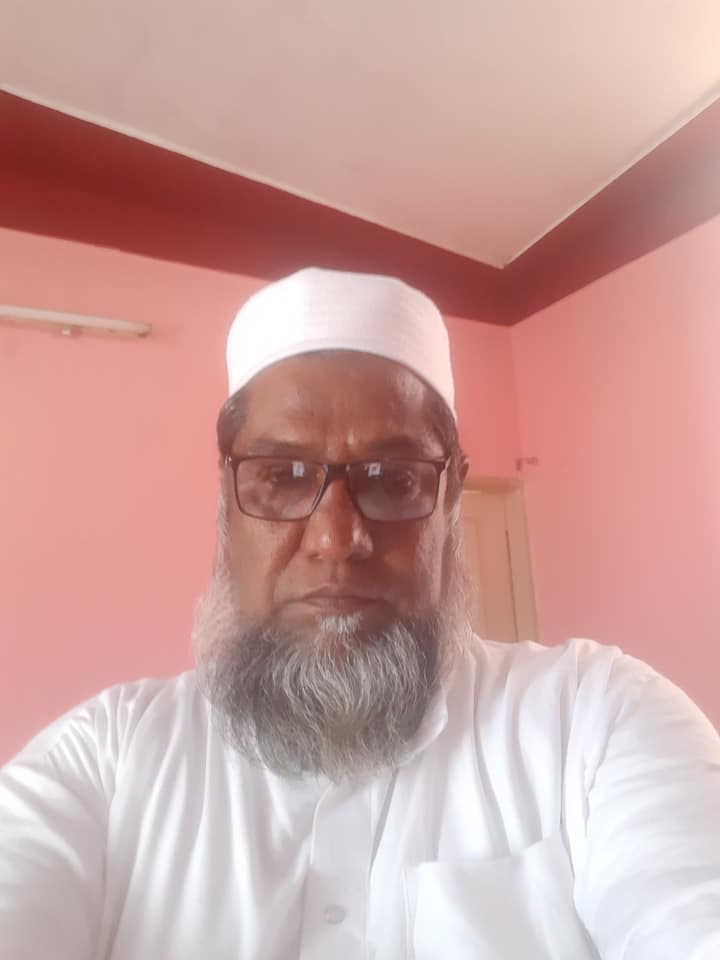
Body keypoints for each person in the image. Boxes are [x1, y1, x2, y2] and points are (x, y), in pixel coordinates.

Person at [1, 267, 718, 959]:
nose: (337, 538)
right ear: (227, 500)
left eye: (393, 478)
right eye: (283, 477)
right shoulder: (108, 760)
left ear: (451, 497)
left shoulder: (596, 722)